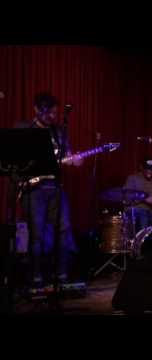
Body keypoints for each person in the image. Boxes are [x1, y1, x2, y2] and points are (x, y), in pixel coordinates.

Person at [16, 92, 83, 289]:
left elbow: (67, 155)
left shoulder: (59, 132)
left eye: (54, 112)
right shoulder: (25, 130)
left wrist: (74, 160)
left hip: (55, 187)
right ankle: (35, 277)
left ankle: (60, 275)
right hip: (33, 189)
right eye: (48, 112)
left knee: (63, 229)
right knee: (36, 234)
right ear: (36, 110)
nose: (52, 116)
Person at [123, 158, 152, 235]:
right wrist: (144, 199)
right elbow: (127, 195)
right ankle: (142, 241)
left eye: (151, 169)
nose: (149, 171)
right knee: (143, 213)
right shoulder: (132, 178)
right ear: (141, 168)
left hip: (149, 210)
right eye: (147, 168)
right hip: (134, 208)